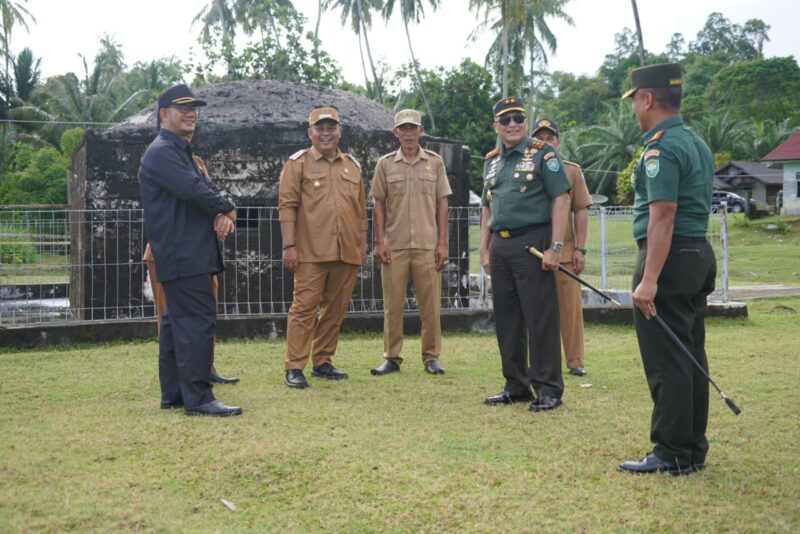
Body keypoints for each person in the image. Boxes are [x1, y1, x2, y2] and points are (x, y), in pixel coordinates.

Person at [617, 63, 716, 475]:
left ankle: (671, 452)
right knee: (690, 352)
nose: (634, 110)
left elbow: (663, 216)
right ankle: (691, 448)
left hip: (668, 258)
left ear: (647, 99)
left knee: (668, 358)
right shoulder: (695, 142)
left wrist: (649, 279)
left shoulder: (660, 148)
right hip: (697, 253)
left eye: (635, 101)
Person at [138, 84, 242, 417]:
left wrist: (221, 210)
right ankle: (198, 397)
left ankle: (173, 393)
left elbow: (204, 187)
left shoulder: (180, 151)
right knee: (196, 322)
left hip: (187, 250)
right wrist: (226, 208)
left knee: (174, 322)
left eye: (194, 108)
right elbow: (194, 189)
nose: (190, 113)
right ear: (163, 114)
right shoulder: (162, 152)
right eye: (182, 108)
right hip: (183, 253)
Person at [479, 97, 571, 412]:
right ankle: (516, 385)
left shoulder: (543, 154)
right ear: (496, 126)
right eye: (505, 120)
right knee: (507, 320)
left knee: (540, 319)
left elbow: (561, 199)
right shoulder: (491, 161)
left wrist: (556, 247)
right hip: (500, 245)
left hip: (532, 242)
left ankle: (548, 389)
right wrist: (484, 248)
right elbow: (486, 207)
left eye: (518, 118)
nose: (513, 124)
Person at [278, 107, 368, 389]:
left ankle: (323, 361)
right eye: (320, 128)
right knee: (304, 309)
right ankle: (295, 365)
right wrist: (289, 246)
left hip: (346, 251)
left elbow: (361, 211)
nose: (326, 133)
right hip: (310, 252)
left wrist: (362, 245)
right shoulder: (298, 164)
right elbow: (287, 206)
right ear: (310, 133)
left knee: (335, 310)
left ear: (340, 131)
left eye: (331, 128)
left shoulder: (352, 165)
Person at [143, 146, 239, 385]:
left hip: (198, 251)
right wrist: (224, 209)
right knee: (171, 319)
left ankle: (205, 367)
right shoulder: (162, 161)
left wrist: (221, 214)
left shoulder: (195, 162)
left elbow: (210, 193)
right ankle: (178, 377)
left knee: (203, 316)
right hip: (169, 252)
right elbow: (193, 194)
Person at [369, 109, 452, 376]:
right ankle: (392, 357)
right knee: (392, 304)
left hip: (427, 244)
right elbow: (378, 204)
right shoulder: (385, 164)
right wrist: (379, 242)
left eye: (412, 128)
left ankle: (431, 356)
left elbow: (442, 203)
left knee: (430, 304)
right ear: (395, 132)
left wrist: (442, 244)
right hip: (395, 244)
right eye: (403, 129)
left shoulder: (435, 163)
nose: (408, 133)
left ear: (421, 131)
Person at [531, 118, 592, 377]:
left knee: (570, 311)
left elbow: (580, 211)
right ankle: (539, 361)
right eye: (540, 137)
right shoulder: (525, 170)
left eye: (550, 137)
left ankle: (575, 360)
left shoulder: (570, 171)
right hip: (532, 251)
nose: (545, 142)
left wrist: (581, 249)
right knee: (535, 311)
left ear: (558, 141)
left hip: (565, 252)